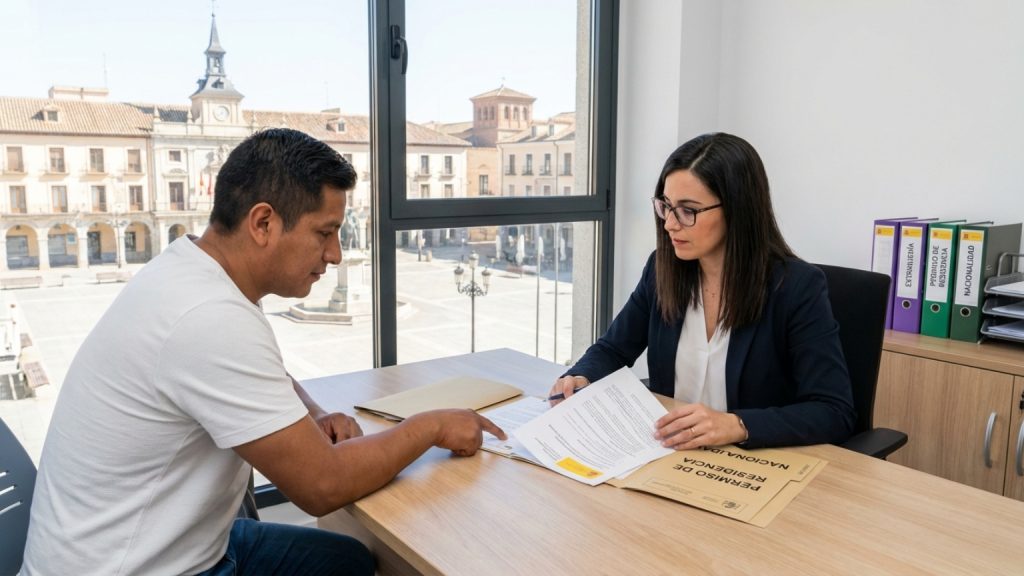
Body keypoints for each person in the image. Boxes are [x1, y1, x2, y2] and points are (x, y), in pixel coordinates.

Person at [23, 128, 505, 576]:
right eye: (324, 232)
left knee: (347, 562)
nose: (335, 253)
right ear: (263, 222)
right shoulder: (209, 316)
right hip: (137, 567)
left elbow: (251, 374)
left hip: (139, 546)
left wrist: (312, 412)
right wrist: (433, 425)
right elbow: (322, 487)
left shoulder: (188, 270)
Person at [549, 132, 855, 450]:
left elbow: (834, 411)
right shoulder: (661, 270)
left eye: (688, 210)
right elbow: (613, 349)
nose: (669, 224)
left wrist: (738, 424)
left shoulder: (796, 287)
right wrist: (580, 377)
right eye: (665, 206)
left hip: (754, 463)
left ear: (738, 210)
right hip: (672, 453)